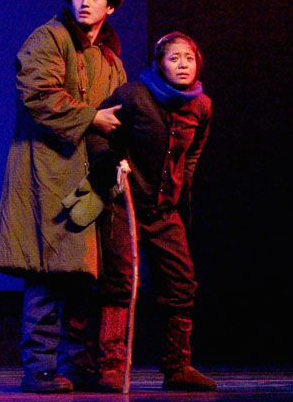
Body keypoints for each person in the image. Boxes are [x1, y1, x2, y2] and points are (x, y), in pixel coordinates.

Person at [0, 0, 128, 393]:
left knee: (82, 274)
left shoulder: (109, 60)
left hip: (89, 179)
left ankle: (77, 364)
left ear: (111, 7)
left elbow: (120, 114)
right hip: (47, 173)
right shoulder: (49, 38)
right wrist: (91, 117)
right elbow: (38, 93)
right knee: (46, 271)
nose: (85, 2)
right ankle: (40, 369)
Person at [86, 31, 217, 392]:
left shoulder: (201, 105)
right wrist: (107, 160)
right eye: (174, 58)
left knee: (181, 282)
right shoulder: (133, 95)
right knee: (120, 284)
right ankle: (111, 366)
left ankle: (177, 367)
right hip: (124, 203)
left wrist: (182, 187)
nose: (182, 65)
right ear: (160, 63)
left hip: (164, 211)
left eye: (188, 58)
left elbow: (193, 151)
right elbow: (97, 129)